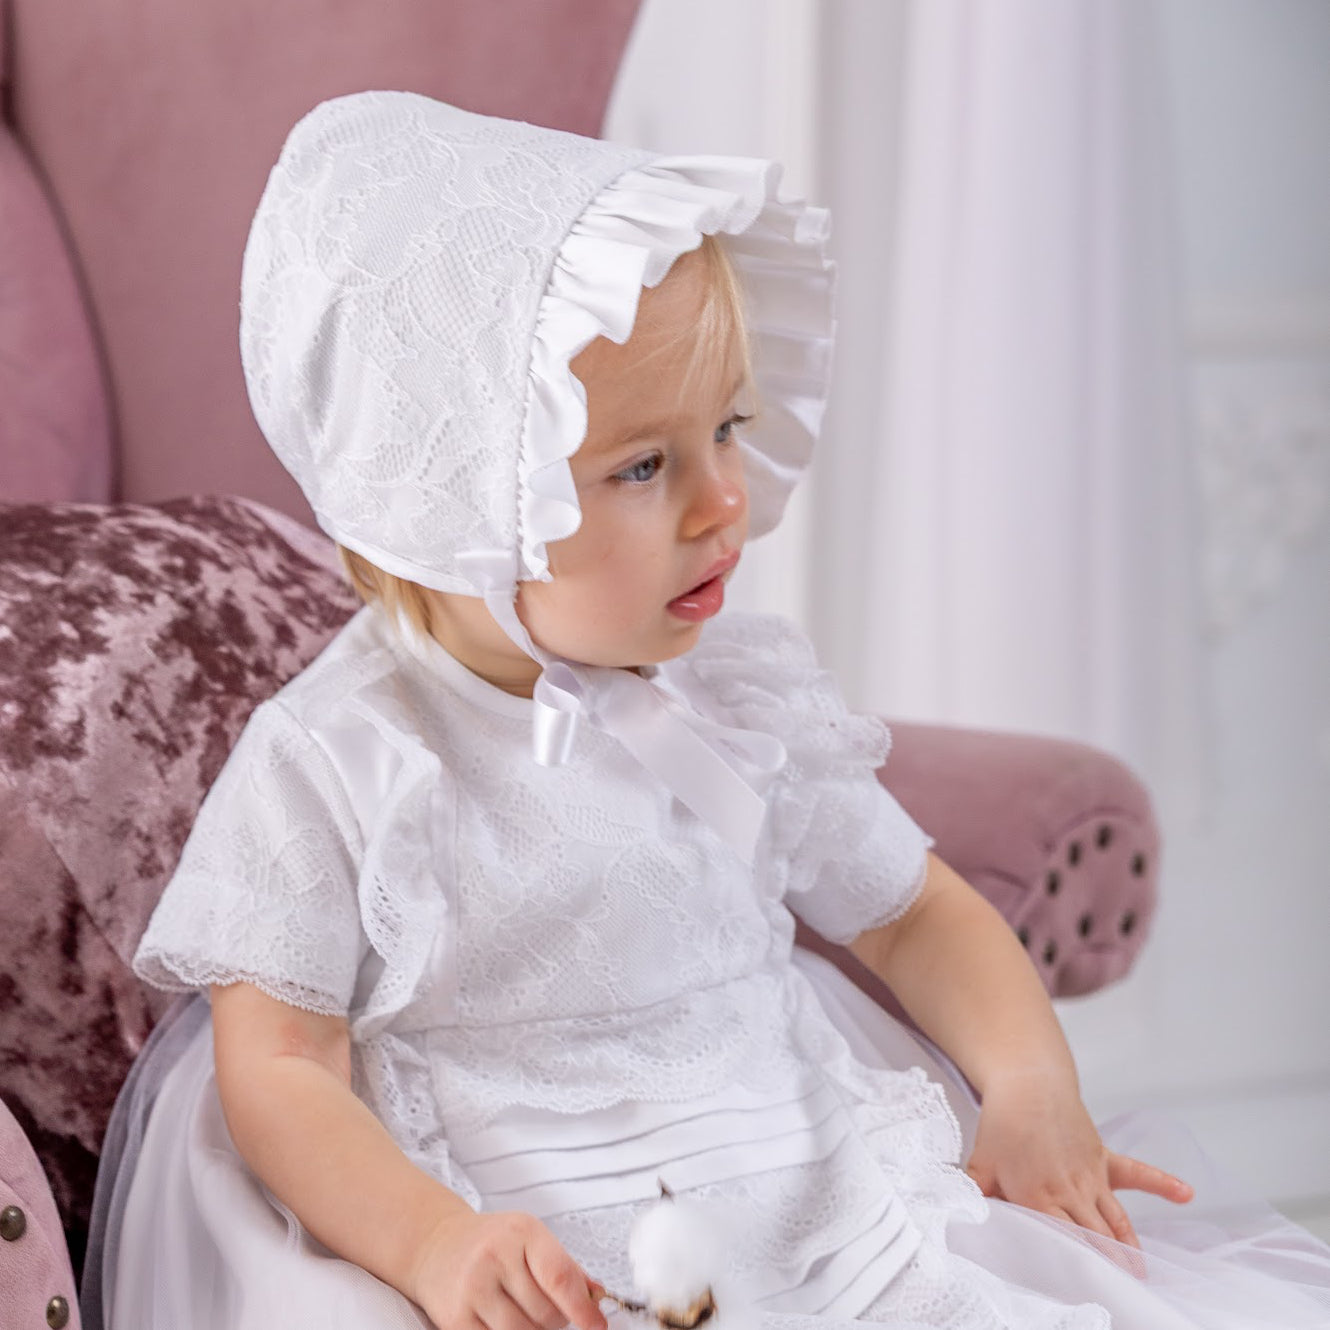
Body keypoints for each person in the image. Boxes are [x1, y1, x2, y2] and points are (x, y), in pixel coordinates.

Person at [89, 92, 1330, 1330]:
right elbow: (283, 1070)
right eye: (643, 465)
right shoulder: (338, 756)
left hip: (794, 1161)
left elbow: (913, 914)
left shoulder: (737, 691)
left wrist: (1026, 1085)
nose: (724, 499)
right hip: (499, 1204)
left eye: (727, 429)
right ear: (457, 507)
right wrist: (431, 1247)